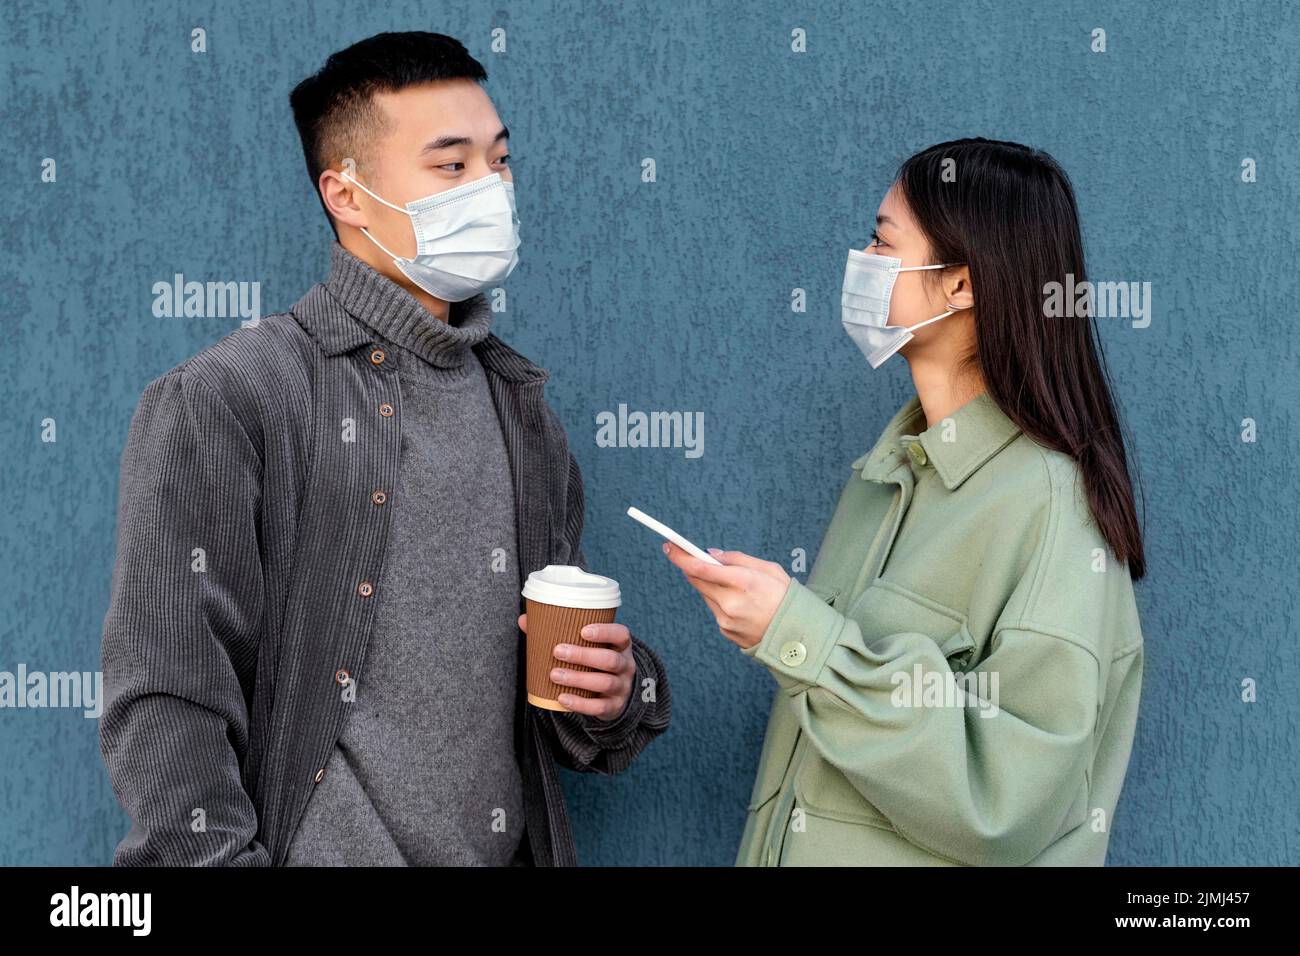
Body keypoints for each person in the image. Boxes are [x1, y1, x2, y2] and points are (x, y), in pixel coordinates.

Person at [99, 31, 670, 867]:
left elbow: (556, 710)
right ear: (348, 194)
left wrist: (612, 696)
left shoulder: (523, 412)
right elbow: (164, 696)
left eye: (499, 161)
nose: (491, 189)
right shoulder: (229, 397)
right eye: (452, 166)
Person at [665, 138, 1144, 866]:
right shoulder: (883, 475)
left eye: (881, 240)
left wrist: (800, 638)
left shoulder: (1052, 506)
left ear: (960, 286)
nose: (860, 260)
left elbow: (1008, 804)